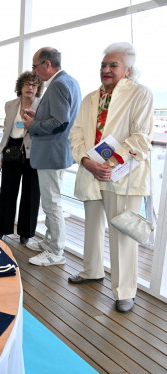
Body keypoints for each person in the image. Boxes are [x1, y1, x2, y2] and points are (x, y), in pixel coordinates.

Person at [68, 42, 153, 313]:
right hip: (92, 171)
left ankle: (125, 291)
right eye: (103, 65)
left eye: (112, 65)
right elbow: (77, 133)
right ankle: (92, 270)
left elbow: (141, 136)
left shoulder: (140, 94)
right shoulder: (91, 97)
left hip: (123, 174)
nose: (106, 69)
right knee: (91, 224)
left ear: (127, 70)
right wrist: (85, 161)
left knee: (122, 234)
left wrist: (112, 161)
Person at [22, 47, 81, 266]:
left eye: (35, 67)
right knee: (50, 201)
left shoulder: (58, 84)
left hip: (51, 153)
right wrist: (38, 116)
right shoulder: (70, 81)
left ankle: (56, 251)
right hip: (57, 152)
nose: (34, 72)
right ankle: (49, 242)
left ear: (47, 64)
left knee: (52, 203)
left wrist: (33, 125)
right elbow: (60, 117)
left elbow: (60, 122)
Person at [0, 72, 43, 244]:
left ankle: (26, 232)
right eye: (27, 84)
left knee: (31, 193)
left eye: (34, 85)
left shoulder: (42, 105)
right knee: (7, 191)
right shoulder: (10, 105)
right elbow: (6, 130)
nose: (30, 87)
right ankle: (3, 228)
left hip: (33, 152)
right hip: (12, 148)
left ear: (38, 89)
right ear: (20, 87)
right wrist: (2, 152)